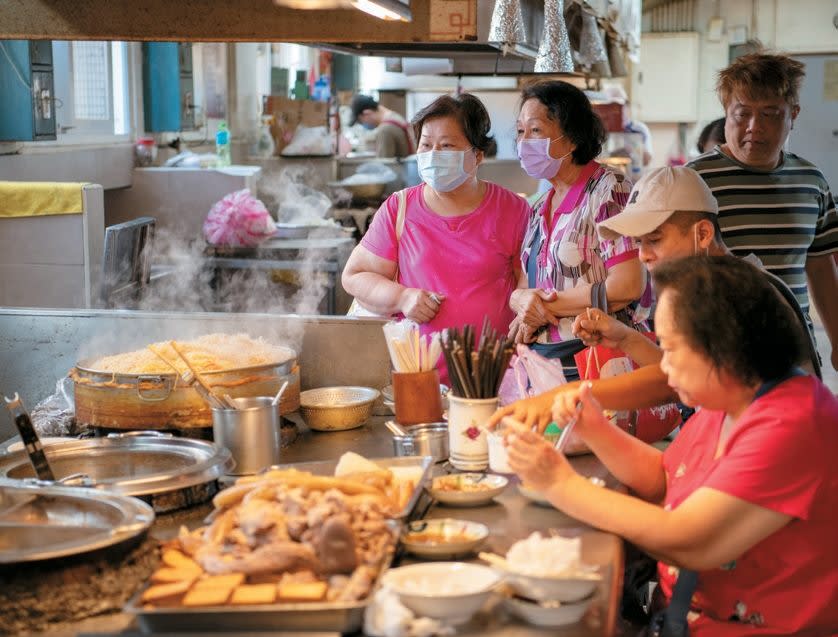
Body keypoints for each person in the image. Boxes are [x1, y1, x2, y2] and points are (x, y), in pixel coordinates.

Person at [504, 255, 838, 636]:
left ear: (724, 347)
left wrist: (560, 484)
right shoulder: (736, 395)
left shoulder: (793, 425)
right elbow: (666, 478)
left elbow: (687, 540)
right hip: (684, 616)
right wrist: (595, 427)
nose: (664, 366)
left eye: (672, 348)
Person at [489, 166, 822, 437]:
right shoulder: (702, 289)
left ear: (703, 234)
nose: (644, 256)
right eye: (638, 243)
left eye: (655, 240)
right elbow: (686, 374)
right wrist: (626, 338)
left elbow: (669, 384)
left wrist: (567, 396)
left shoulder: (742, 294)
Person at [342, 94, 530, 375]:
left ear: (477, 155)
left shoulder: (513, 210)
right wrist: (402, 298)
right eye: (426, 145)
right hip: (418, 379)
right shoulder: (399, 208)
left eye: (446, 146)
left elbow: (528, 286)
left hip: (495, 378)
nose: (433, 155)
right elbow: (354, 276)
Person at [686, 50, 838, 371]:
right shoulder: (691, 181)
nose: (755, 127)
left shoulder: (812, 182)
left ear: (793, 114)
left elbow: (821, 266)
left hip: (795, 351)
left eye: (771, 113)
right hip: (716, 354)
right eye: (743, 113)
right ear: (726, 112)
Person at [510, 80, 649, 379]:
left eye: (536, 130)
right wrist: (518, 301)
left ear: (572, 137)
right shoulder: (539, 206)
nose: (524, 142)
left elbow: (626, 286)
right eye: (520, 131)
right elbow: (526, 283)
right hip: (545, 366)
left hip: (600, 362)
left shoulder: (610, 190)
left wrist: (543, 306)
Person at [350, 95, 415, 158]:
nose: (364, 125)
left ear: (367, 113)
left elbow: (383, 165)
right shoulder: (397, 118)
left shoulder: (385, 129)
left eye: (361, 122)